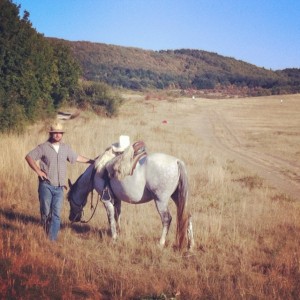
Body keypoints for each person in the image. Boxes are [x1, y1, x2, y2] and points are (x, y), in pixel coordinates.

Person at [25, 122, 94, 241]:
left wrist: (92, 161)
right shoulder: (43, 147)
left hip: (60, 188)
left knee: (56, 214)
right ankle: (46, 231)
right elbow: (29, 157)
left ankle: (52, 239)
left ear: (62, 134)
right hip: (46, 185)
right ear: (51, 134)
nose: (57, 135)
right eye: (55, 133)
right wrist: (38, 171)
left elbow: (76, 157)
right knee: (46, 213)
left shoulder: (65, 148)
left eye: (59, 133)